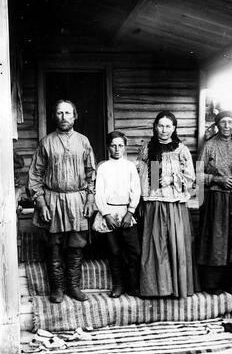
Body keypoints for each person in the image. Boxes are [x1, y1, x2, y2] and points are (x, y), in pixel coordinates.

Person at [28, 99, 96, 303]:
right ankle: (57, 289)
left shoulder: (83, 141)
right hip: (53, 200)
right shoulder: (46, 142)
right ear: (54, 116)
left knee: (76, 247)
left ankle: (74, 287)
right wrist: (40, 202)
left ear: (75, 116)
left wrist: (90, 197)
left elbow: (91, 172)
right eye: (60, 113)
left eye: (68, 113)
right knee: (54, 247)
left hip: (77, 200)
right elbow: (35, 175)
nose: (64, 117)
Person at [137, 110, 196, 298]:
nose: (164, 130)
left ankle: (176, 288)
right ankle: (158, 288)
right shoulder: (148, 148)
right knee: (156, 244)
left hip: (174, 204)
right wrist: (148, 192)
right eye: (160, 126)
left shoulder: (181, 149)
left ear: (174, 128)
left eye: (168, 126)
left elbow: (190, 177)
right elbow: (145, 176)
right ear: (155, 127)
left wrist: (171, 179)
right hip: (154, 203)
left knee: (174, 243)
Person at [197, 110, 232, 295]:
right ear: (217, 124)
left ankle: (231, 281)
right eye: (223, 122)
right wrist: (217, 179)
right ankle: (212, 284)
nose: (227, 126)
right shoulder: (209, 146)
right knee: (217, 240)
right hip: (217, 200)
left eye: (230, 122)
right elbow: (197, 175)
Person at [93, 131, 141, 298]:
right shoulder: (103, 167)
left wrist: (130, 212)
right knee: (114, 252)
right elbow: (98, 193)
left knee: (134, 251)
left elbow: (136, 190)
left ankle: (133, 285)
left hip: (126, 212)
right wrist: (106, 215)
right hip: (109, 213)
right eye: (113, 145)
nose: (117, 149)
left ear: (125, 147)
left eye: (120, 145)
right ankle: (118, 285)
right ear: (108, 147)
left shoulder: (130, 166)